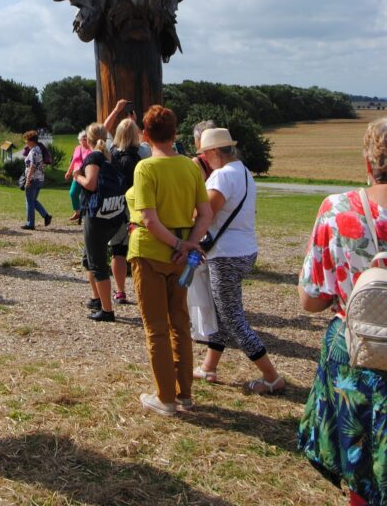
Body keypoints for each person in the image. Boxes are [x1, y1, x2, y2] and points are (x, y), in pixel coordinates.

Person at [298, 117, 387, 506]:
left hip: (356, 351)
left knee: (360, 466)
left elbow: (311, 300)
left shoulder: (337, 208)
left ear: (369, 162)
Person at [126, 105, 212, 415]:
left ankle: (164, 398)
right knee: (180, 324)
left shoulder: (145, 168)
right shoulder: (191, 167)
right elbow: (205, 214)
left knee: (156, 329)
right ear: (175, 134)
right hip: (181, 258)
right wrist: (188, 244)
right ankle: (184, 394)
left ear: (144, 135)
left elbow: (149, 220)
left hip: (149, 252)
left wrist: (177, 242)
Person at [193, 127, 285, 393]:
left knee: (233, 318)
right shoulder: (243, 172)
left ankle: (271, 377)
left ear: (212, 152)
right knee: (224, 311)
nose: (204, 159)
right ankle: (209, 366)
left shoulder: (221, 177)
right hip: (245, 250)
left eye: (204, 154)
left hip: (225, 255)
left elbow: (205, 213)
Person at [75, 122, 126, 321]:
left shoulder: (93, 157)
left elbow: (90, 183)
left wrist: (77, 176)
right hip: (113, 213)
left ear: (87, 140)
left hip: (96, 215)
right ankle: (98, 299)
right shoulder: (110, 156)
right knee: (90, 258)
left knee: (97, 263)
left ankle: (107, 310)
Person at [108, 117, 143, 305]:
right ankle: (142, 291)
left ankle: (120, 292)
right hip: (137, 206)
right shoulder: (142, 153)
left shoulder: (110, 153)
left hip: (115, 206)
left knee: (117, 251)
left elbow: (102, 130)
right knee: (139, 253)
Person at [20, 130, 53, 230]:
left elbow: (32, 166)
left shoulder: (34, 151)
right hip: (40, 179)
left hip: (33, 179)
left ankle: (30, 224)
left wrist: (28, 180)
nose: (25, 142)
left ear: (31, 141)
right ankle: (46, 216)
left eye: (26, 140)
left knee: (29, 201)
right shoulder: (39, 149)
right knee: (33, 200)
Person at [64, 131, 89, 221]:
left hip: (87, 175)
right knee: (73, 193)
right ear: (79, 140)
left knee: (87, 195)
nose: (85, 139)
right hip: (76, 175)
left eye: (86, 138)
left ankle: (88, 214)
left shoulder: (91, 149)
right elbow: (74, 161)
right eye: (83, 138)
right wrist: (68, 172)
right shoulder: (77, 148)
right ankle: (78, 212)